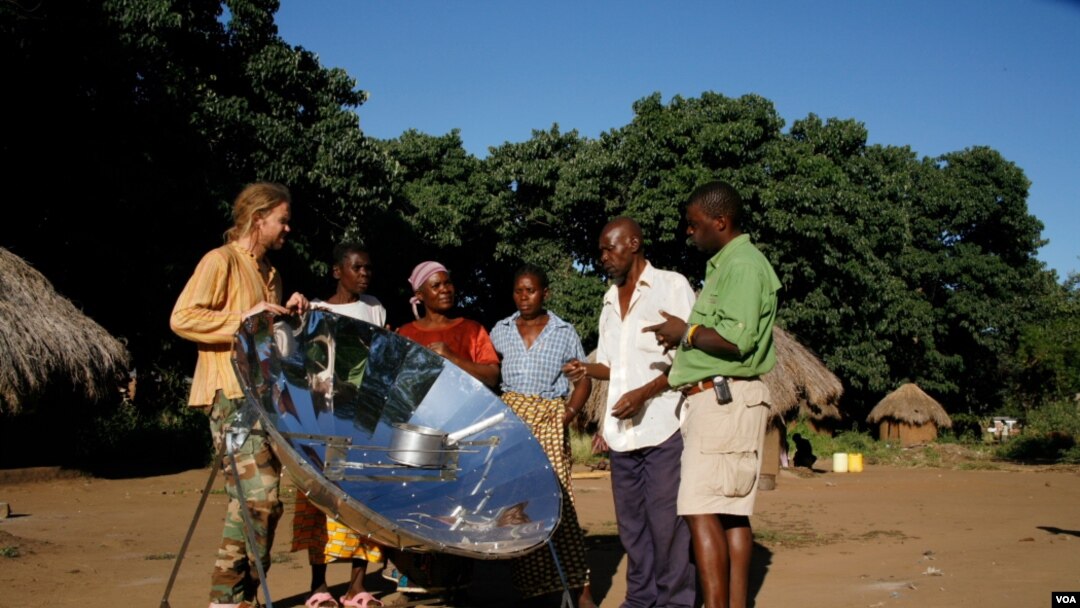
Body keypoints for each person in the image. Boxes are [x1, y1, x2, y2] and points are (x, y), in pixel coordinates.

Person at [170, 182, 309, 608]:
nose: (288, 229)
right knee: (261, 495)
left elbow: (263, 338)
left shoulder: (270, 274)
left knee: (251, 502)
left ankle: (231, 597)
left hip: (261, 397)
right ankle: (230, 596)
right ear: (258, 218)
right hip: (229, 396)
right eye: (283, 220)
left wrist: (290, 314)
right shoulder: (220, 261)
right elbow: (183, 317)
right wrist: (244, 316)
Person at [645, 181, 781, 608]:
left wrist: (683, 331)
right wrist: (686, 337)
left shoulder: (742, 265)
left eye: (694, 224)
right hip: (725, 400)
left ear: (720, 222)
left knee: (698, 507)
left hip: (723, 402)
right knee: (730, 511)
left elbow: (734, 341)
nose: (690, 231)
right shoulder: (730, 264)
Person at [562, 217, 697, 608]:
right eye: (601, 250)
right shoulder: (608, 300)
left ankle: (675, 601)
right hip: (623, 434)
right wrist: (586, 369)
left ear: (634, 243)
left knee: (667, 526)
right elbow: (612, 365)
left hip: (664, 427)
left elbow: (692, 360)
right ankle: (640, 599)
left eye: (611, 248)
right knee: (633, 528)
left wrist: (646, 392)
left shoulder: (672, 286)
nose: (604, 257)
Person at [388, 261, 500, 596]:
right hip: (419, 431)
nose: (446, 290)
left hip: (463, 430)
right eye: (436, 286)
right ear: (419, 295)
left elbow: (493, 376)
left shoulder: (471, 330)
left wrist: (452, 357)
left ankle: (454, 577)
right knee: (415, 501)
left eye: (448, 283)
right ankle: (413, 573)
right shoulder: (406, 334)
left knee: (457, 504)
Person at [489, 265, 596, 608]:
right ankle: (535, 592)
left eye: (531, 291)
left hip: (550, 420)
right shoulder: (501, 331)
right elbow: (491, 376)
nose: (524, 297)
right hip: (512, 426)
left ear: (545, 293)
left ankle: (580, 589)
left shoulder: (564, 332)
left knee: (557, 505)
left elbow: (583, 380)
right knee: (518, 506)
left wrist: (567, 415)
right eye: (519, 291)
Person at [291, 242, 387, 608]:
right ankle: (319, 587)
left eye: (368, 269)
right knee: (322, 502)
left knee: (364, 501)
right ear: (337, 271)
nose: (364, 274)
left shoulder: (375, 308)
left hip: (362, 419)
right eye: (357, 268)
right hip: (323, 418)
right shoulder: (316, 310)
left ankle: (357, 587)